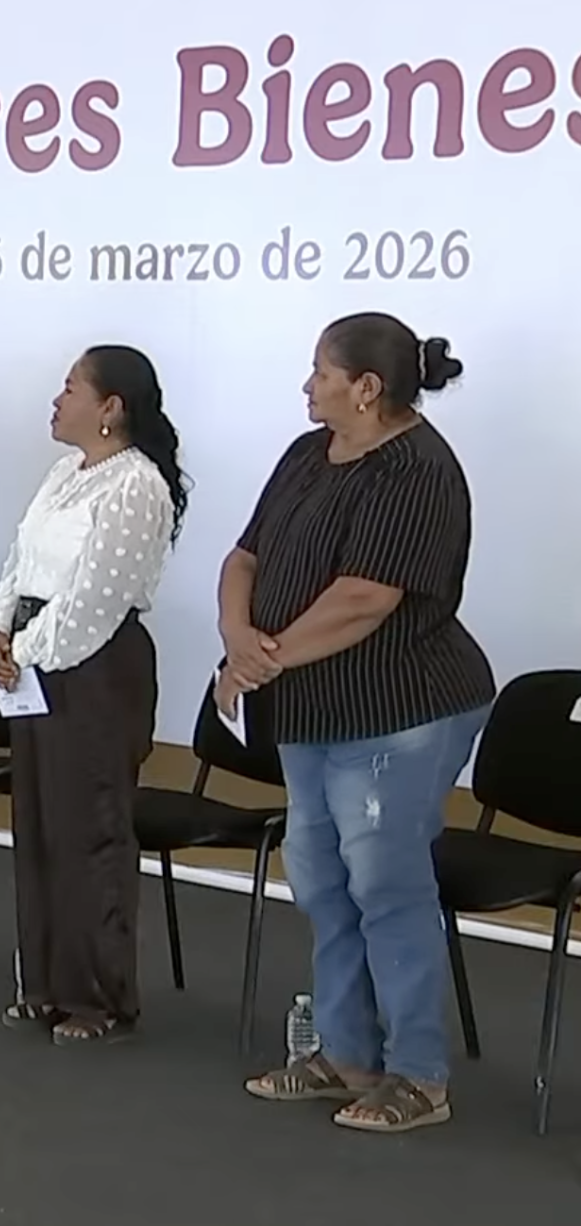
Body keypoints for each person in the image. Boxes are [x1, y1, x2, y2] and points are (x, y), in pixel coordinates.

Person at [227, 314, 491, 1134]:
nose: (308, 386)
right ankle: (347, 1056)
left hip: (399, 711)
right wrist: (239, 640)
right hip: (311, 709)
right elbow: (245, 557)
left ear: (367, 388)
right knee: (324, 883)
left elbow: (365, 598)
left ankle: (418, 1075)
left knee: (385, 885)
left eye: (321, 372)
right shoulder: (309, 454)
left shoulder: (417, 471)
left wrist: (261, 661)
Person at [0, 346, 189, 1044]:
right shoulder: (63, 474)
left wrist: (24, 649)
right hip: (39, 660)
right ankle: (43, 984)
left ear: (111, 408)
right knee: (41, 824)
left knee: (89, 830)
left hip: (94, 670)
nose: (56, 399)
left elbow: (96, 601)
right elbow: (18, 566)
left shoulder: (135, 485)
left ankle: (98, 998)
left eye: (71, 388)